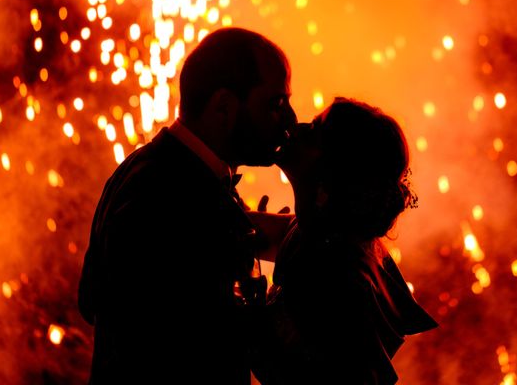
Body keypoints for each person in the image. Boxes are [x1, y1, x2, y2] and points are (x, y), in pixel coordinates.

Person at [78, 27, 297, 384]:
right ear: (223, 107)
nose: (290, 120)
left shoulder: (148, 171)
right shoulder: (168, 194)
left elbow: (90, 301)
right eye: (275, 104)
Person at [252, 98, 438, 385]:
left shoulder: (340, 279)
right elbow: (242, 231)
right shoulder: (318, 233)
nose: (297, 128)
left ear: (334, 166)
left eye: (314, 130)